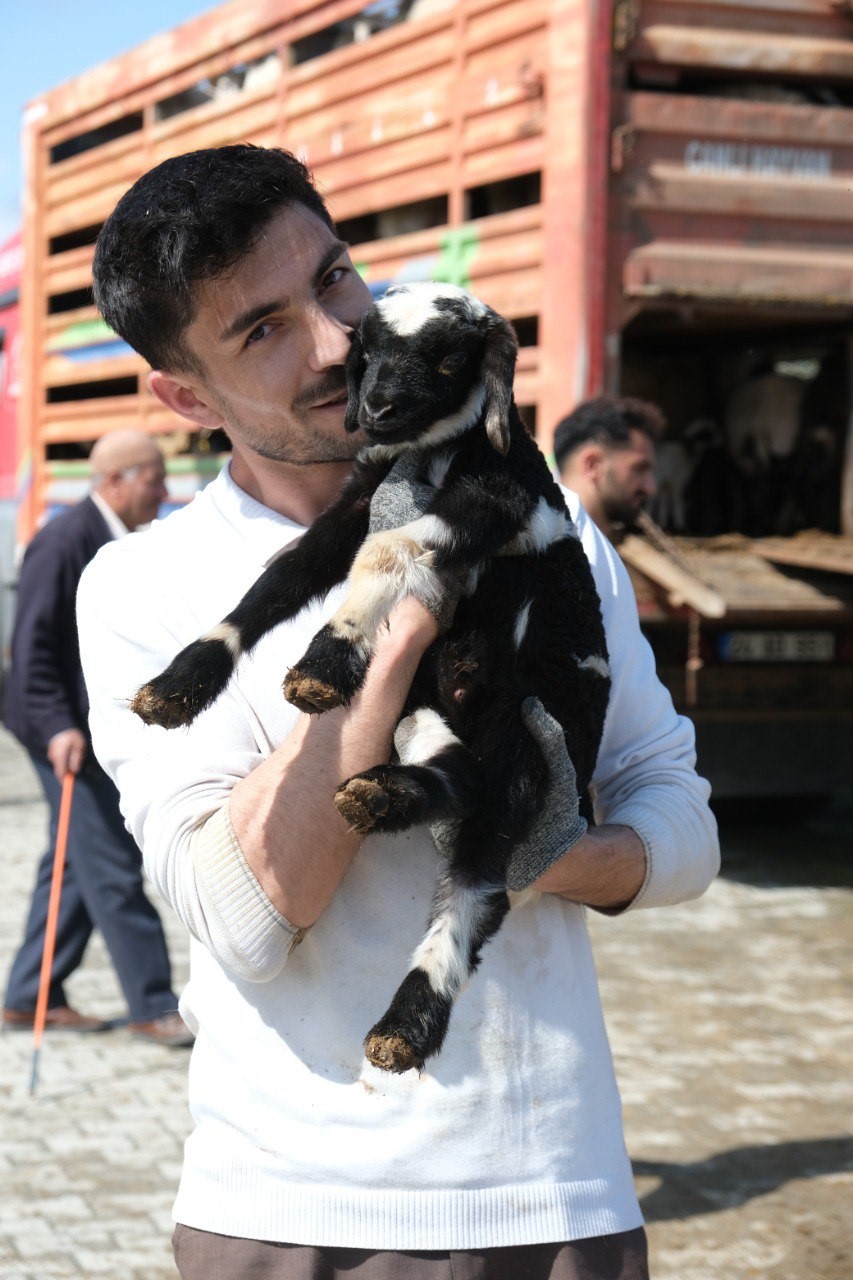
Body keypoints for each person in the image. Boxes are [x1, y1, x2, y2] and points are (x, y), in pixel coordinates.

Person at [77, 145, 719, 1279]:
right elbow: (249, 914)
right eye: (261, 330)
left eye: (333, 280)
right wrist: (410, 596)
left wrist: (540, 849)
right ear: (185, 395)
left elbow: (680, 816)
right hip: (293, 1213)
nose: (336, 343)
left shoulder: (552, 518)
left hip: (554, 1196)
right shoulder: (142, 586)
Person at [3, 430, 193, 1047]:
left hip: (89, 729)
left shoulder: (122, 540)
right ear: (115, 481)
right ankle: (153, 1004)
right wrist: (56, 726)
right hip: (56, 731)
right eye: (154, 480)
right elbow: (28, 649)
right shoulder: (63, 542)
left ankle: (31, 994)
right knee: (110, 859)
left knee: (74, 858)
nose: (164, 493)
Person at [553, 397, 663, 542]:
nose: (651, 488)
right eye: (639, 469)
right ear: (593, 465)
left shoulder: (599, 549)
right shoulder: (540, 556)